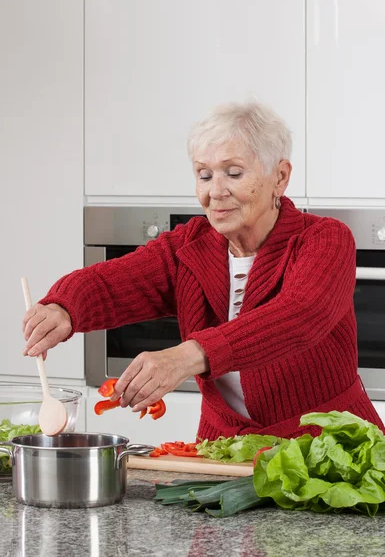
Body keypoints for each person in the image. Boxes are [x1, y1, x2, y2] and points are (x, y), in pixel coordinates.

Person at [22, 101, 385, 440]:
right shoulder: (190, 246)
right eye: (204, 175)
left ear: (280, 177)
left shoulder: (324, 239)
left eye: (234, 173)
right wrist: (63, 308)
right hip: (225, 453)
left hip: (328, 447)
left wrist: (185, 357)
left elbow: (300, 315)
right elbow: (113, 283)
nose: (216, 191)